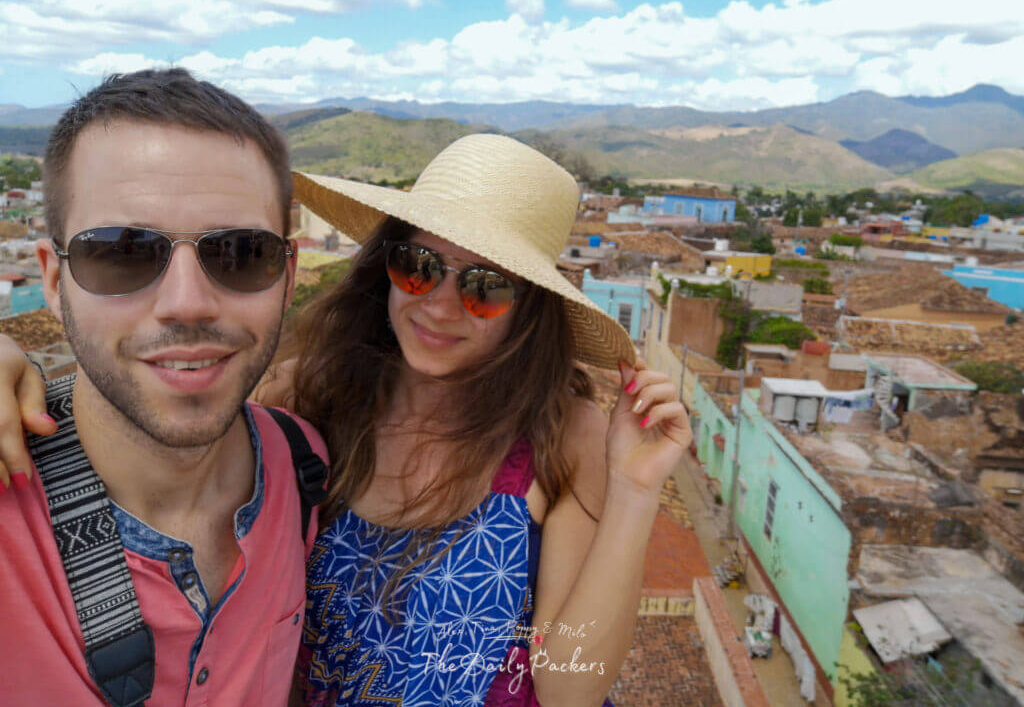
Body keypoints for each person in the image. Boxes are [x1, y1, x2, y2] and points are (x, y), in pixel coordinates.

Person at [0, 132, 690, 704]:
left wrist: (633, 491)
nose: (439, 306)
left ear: (530, 307)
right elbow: (160, 417)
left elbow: (568, 687)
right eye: (419, 265)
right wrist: (18, 369)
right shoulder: (310, 400)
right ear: (385, 267)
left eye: (484, 286)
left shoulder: (557, 437)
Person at [0, 69, 327, 705]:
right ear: (53, 277)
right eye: (122, 252)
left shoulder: (305, 466)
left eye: (239, 253)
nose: (187, 304)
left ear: (287, 278)